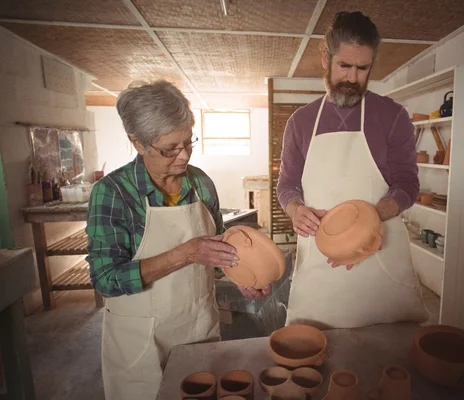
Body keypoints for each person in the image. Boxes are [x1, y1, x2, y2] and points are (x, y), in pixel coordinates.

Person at [85, 80, 271, 400]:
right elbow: (106, 279)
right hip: (141, 341)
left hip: (198, 327)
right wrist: (185, 254)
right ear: (137, 142)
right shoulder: (113, 193)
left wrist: (239, 275)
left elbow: (215, 253)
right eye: (170, 148)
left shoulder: (200, 183)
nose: (183, 156)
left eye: (189, 142)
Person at [277, 12, 428, 329]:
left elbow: (407, 185)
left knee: (388, 363)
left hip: (380, 257)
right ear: (325, 58)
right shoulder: (300, 123)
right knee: (315, 359)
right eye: (344, 66)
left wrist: (371, 219)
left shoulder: (392, 116)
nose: (353, 78)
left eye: (363, 68)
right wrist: (295, 209)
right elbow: (287, 185)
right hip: (321, 263)